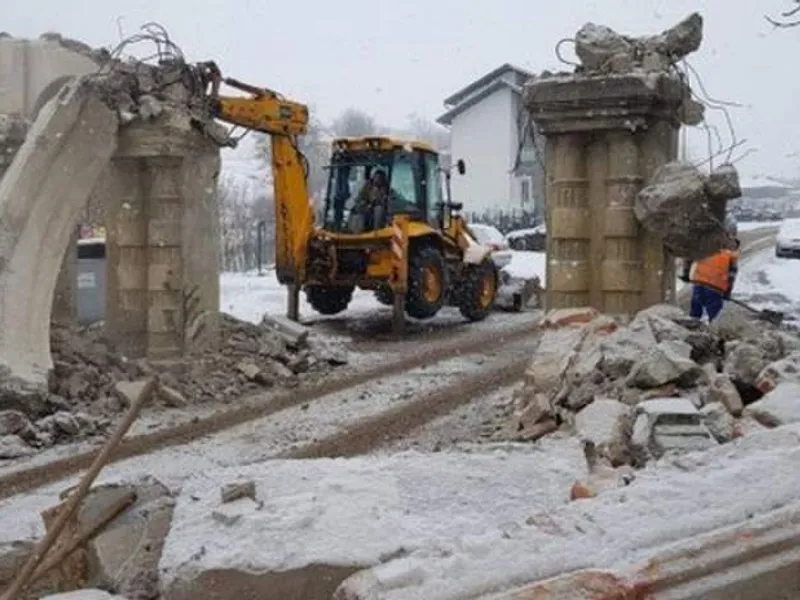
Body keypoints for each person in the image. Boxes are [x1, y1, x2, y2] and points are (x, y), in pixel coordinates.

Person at [679, 236, 739, 322]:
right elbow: (732, 275)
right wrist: (728, 291)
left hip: (699, 283)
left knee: (695, 314)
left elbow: (689, 257)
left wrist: (686, 274)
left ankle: (692, 328)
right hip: (716, 288)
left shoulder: (704, 245)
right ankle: (713, 331)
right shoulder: (731, 255)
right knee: (715, 318)